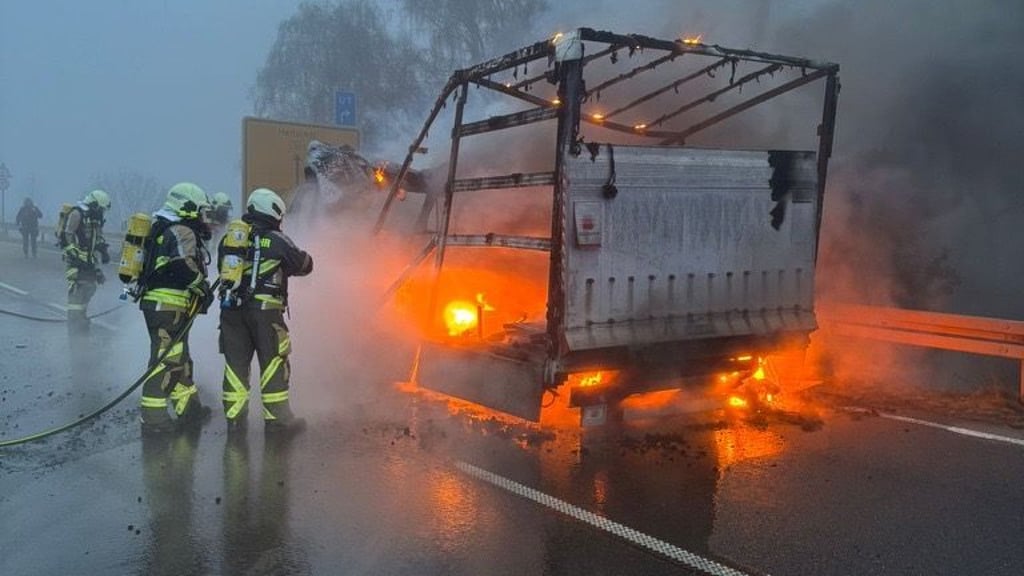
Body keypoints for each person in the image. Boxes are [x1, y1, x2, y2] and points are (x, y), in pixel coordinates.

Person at [218, 188, 313, 434]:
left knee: (235, 366)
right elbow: (304, 264)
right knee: (273, 364)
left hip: (232, 312)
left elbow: (222, 267)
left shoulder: (229, 239)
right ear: (273, 211)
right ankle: (279, 422)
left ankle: (235, 421)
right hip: (265, 313)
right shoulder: (277, 239)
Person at [137, 182, 216, 434]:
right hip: (167, 307)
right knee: (165, 361)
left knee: (179, 358)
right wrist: (201, 286)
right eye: (201, 211)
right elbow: (182, 263)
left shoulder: (162, 228)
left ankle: (189, 410)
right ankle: (153, 419)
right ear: (188, 207)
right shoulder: (181, 230)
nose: (205, 217)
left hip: (165, 306)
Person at [61, 189, 111, 332]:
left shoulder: (95, 218)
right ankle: (74, 322)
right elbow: (67, 236)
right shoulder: (77, 214)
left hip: (89, 261)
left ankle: (81, 318)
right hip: (75, 262)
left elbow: (97, 238)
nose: (101, 212)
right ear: (94, 204)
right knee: (77, 291)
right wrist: (76, 256)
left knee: (90, 287)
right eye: (100, 208)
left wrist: (103, 250)